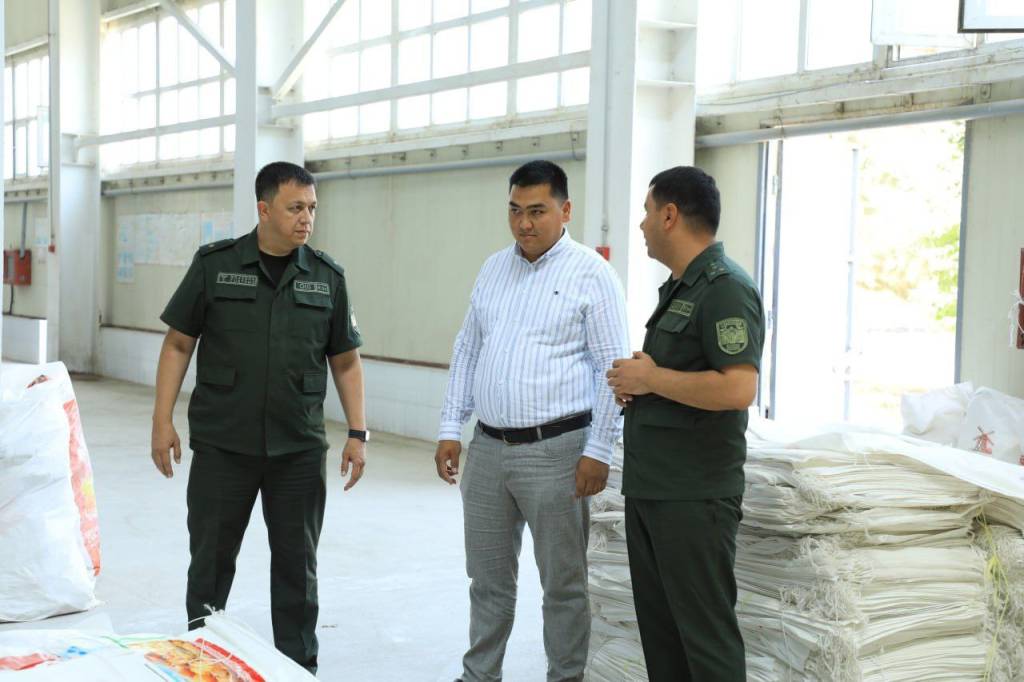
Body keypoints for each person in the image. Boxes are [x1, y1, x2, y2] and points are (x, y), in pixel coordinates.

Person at [150, 161, 368, 675]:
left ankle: (297, 669)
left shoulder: (327, 277)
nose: (306, 219)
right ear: (264, 209)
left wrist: (358, 432)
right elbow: (178, 343)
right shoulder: (215, 266)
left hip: (298, 450)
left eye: (312, 208)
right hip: (223, 447)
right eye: (295, 208)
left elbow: (346, 361)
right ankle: (202, 663)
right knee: (209, 566)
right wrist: (162, 420)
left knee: (298, 570)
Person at [434, 160, 629, 682]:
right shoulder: (494, 268)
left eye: (537, 211)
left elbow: (613, 370)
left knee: (563, 585)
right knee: (487, 580)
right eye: (515, 210)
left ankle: (565, 676)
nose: (524, 223)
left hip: (558, 452)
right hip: (488, 450)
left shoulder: (593, 275)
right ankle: (480, 675)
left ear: (566, 211)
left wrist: (599, 450)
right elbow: (468, 349)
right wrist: (451, 428)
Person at [606, 166, 764, 682]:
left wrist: (652, 378)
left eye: (647, 212)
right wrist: (641, 383)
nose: (642, 224)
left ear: (670, 215)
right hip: (655, 488)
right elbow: (679, 379)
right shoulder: (681, 287)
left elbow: (738, 388)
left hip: (693, 496)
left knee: (705, 642)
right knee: (664, 640)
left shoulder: (724, 289)